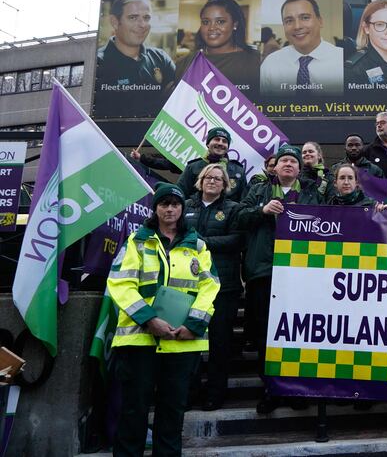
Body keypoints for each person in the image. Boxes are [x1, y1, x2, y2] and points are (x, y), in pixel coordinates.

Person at [107, 183, 219, 456]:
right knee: (133, 411)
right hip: (139, 340)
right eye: (164, 204)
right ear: (155, 208)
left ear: (182, 209)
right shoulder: (137, 241)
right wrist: (149, 320)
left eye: (175, 204)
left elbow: (210, 286)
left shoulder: (198, 245)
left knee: (172, 414)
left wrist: (194, 325)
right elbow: (120, 284)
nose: (169, 209)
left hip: (183, 342)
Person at [235, 145, 323, 414]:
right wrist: (262, 210)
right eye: (283, 160)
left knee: (297, 333)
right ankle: (271, 388)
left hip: (299, 274)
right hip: (263, 272)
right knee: (264, 334)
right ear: (275, 167)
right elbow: (239, 217)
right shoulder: (259, 191)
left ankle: (294, 388)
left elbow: (324, 226)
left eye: (293, 161)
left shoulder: (310, 194)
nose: (288, 164)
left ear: (299, 168)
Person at [184, 164, 243, 411]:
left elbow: (237, 239)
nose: (213, 181)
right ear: (200, 180)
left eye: (219, 179)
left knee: (220, 342)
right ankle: (190, 391)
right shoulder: (185, 206)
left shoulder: (233, 209)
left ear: (225, 184)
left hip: (223, 286)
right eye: (209, 177)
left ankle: (215, 393)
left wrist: (202, 243)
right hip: (187, 285)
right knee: (188, 342)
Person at [95, 0, 176, 111]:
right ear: (115, 22)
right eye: (133, 17)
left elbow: (178, 97)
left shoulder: (160, 58)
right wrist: (160, 101)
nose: (142, 25)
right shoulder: (98, 63)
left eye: (146, 18)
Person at [174, 0, 261, 98]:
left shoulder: (255, 62)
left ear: (235, 24)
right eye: (206, 22)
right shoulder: (184, 63)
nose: (212, 27)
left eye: (220, 22)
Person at [260, 0, 343, 96]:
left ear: (320, 21)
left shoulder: (341, 59)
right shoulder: (270, 64)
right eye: (289, 21)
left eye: (305, 18)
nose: (297, 26)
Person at [177, 127, 247, 202]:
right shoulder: (193, 167)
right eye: (216, 139)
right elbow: (180, 195)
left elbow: (243, 202)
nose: (220, 143)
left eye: (224, 141)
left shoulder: (238, 171)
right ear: (208, 144)